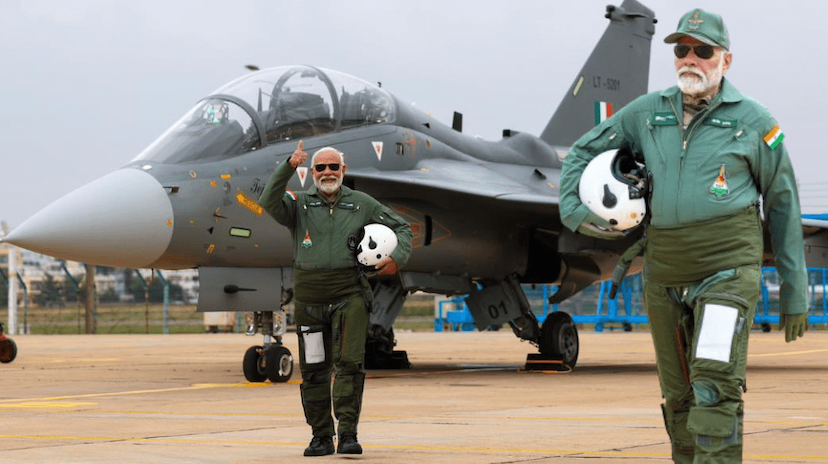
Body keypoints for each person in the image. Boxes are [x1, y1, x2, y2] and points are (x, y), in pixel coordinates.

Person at [559, 9, 808, 463]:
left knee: (714, 388)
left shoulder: (754, 122)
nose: (690, 59)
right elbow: (581, 151)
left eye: (702, 50)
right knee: (679, 397)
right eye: (681, 50)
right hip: (665, 274)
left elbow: (783, 202)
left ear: (725, 61)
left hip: (726, 271)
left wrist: (795, 291)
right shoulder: (646, 114)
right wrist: (574, 212)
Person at [259, 140, 413, 457]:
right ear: (312, 172)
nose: (327, 172)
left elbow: (401, 226)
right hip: (310, 301)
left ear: (343, 170)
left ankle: (347, 435)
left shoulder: (362, 204)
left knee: (349, 365)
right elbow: (267, 200)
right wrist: (288, 166)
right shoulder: (299, 205)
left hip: (349, 297)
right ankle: (319, 436)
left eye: (333, 167)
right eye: (320, 167)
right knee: (314, 368)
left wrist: (398, 257)